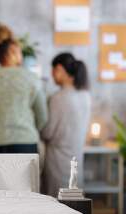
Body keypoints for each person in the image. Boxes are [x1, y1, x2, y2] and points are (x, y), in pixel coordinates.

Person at [0, 22, 47, 154]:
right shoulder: (31, 78)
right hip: (25, 144)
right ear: (13, 50)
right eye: (20, 50)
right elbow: (42, 117)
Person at [41, 53, 91, 197]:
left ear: (60, 69)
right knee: (75, 205)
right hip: (76, 158)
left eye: (53, 71)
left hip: (58, 160)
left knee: (58, 206)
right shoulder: (85, 96)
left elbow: (47, 132)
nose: (52, 75)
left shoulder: (58, 98)